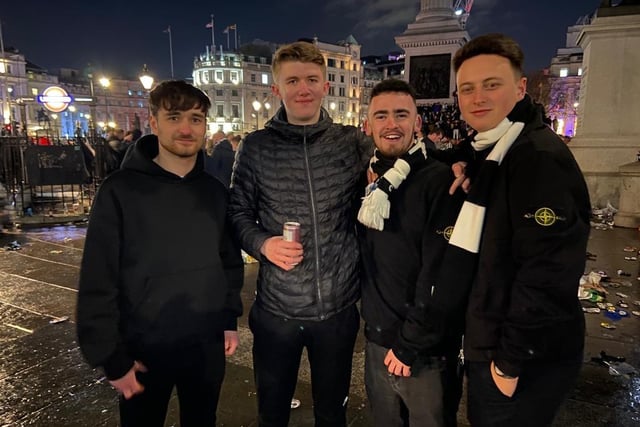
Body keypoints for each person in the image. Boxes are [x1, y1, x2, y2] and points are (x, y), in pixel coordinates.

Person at [436, 33, 591, 427]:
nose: (477, 98)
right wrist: (464, 163)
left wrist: (508, 365)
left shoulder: (536, 158)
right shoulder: (495, 151)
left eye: (492, 85)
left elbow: (548, 273)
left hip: (520, 358)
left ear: (521, 88)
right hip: (496, 342)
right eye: (467, 89)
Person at [76, 80, 244, 427]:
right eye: (175, 117)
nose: (186, 128)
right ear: (154, 123)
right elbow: (98, 277)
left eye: (196, 119)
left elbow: (227, 260)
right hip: (143, 348)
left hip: (205, 344)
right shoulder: (119, 191)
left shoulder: (214, 192)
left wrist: (229, 318)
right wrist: (110, 357)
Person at [228, 40, 372, 427]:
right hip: (278, 311)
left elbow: (403, 159)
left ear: (326, 85)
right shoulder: (255, 148)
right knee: (272, 413)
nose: (303, 88)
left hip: (337, 310)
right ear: (277, 89)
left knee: (332, 413)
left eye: (312, 79)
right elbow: (237, 213)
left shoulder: (352, 143)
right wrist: (263, 243)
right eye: (292, 80)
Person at [357, 79, 465, 427]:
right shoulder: (372, 180)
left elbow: (443, 273)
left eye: (401, 115)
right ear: (368, 124)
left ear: (416, 123)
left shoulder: (441, 181)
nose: (391, 124)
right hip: (377, 338)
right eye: (382, 116)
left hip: (424, 351)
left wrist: (408, 344)